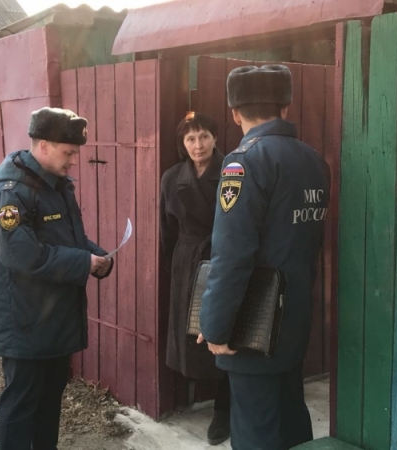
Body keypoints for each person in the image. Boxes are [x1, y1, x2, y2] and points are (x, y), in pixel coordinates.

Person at [197, 64, 330, 450]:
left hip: (253, 325)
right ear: (285, 108)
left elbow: (232, 255)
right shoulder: (313, 161)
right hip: (295, 318)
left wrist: (216, 326)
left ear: (234, 112)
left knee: (256, 432)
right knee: (291, 423)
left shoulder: (242, 163)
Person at [0, 106, 114, 450]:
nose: (73, 160)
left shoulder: (56, 185)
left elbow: (68, 239)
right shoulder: (9, 193)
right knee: (21, 403)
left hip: (53, 319)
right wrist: (83, 262)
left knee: (50, 399)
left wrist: (96, 256)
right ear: (43, 146)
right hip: (23, 321)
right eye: (68, 153)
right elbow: (22, 255)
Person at [160, 111, 230, 445]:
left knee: (223, 331)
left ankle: (225, 408)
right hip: (187, 263)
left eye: (204, 136)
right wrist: (176, 266)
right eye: (191, 138)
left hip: (223, 259)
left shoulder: (233, 171)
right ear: (182, 143)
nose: (198, 145)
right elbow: (167, 231)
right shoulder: (172, 178)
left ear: (215, 138)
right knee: (193, 336)